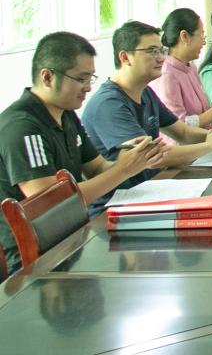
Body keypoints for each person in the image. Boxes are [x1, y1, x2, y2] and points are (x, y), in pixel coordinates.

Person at [0, 32, 166, 272]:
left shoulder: (66, 114)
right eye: (81, 79)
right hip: (36, 260)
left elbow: (97, 167)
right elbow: (50, 203)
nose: (88, 88)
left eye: (90, 78)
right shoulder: (23, 127)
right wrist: (123, 170)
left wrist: (137, 159)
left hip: (74, 239)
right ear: (47, 77)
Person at [81, 21, 212, 209]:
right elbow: (152, 156)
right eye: (152, 51)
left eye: (161, 51)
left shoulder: (145, 92)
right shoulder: (109, 104)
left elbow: (183, 133)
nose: (161, 58)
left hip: (150, 191)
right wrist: (210, 145)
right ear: (125, 57)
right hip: (119, 205)